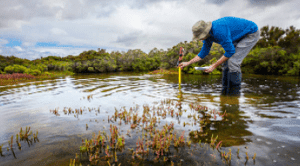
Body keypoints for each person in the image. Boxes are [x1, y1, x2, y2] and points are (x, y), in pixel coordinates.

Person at [178, 16, 260, 95]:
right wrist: (188, 63)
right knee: (225, 64)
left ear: (205, 32)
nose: (200, 38)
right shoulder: (208, 36)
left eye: (200, 36)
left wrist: (213, 66)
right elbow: (204, 52)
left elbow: (230, 51)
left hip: (250, 33)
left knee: (233, 62)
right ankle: (224, 93)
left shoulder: (219, 31)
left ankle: (234, 95)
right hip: (236, 36)